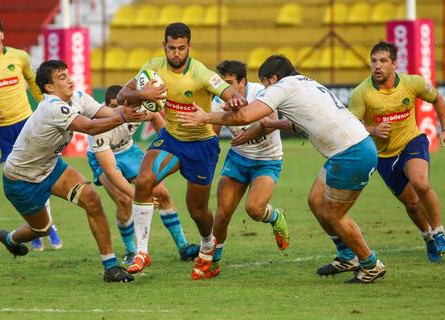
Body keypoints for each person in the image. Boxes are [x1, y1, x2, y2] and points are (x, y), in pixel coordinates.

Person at [178, 54, 387, 284]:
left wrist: (204, 117)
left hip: (352, 153)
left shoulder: (282, 87)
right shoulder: (306, 83)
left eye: (266, 83)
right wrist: (272, 124)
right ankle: (347, 256)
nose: (266, 88)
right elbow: (299, 123)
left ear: (273, 78)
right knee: (316, 201)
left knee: (334, 215)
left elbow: (246, 115)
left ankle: (370, 264)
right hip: (349, 149)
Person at [0, 59, 158, 283]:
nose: (69, 80)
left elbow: (104, 112)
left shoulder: (78, 98)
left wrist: (137, 105)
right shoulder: (53, 107)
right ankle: (12, 239)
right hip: (21, 180)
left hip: (51, 168)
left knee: (92, 199)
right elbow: (89, 127)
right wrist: (123, 117)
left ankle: (110, 267)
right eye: (61, 78)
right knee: (41, 229)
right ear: (49, 87)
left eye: (68, 74)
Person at [116, 22, 246, 278]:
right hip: (172, 139)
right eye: (171, 47)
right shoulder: (153, 67)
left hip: (202, 146)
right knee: (144, 181)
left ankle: (208, 243)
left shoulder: (200, 73)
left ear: (189, 47)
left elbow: (227, 90)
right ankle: (141, 252)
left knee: (197, 210)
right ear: (164, 46)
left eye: (181, 48)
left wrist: (234, 98)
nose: (176, 53)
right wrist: (143, 93)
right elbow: (122, 96)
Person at [348, 41, 445, 263]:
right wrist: (373, 129)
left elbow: (438, 99)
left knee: (420, 182)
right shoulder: (361, 93)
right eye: (374, 61)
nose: (377, 66)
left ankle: (439, 232)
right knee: (412, 204)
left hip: (412, 142)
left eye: (383, 61)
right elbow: (349, 124)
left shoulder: (412, 83)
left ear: (394, 64)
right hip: (383, 156)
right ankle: (428, 238)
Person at [86, 85, 200, 270]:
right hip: (104, 157)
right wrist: (134, 194)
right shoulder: (99, 126)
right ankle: (131, 251)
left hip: (128, 151)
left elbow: (155, 117)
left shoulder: (137, 109)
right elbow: (111, 171)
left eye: (124, 105)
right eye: (115, 106)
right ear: (106, 106)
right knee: (124, 200)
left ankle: (183, 246)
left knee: (162, 194)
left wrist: (167, 144)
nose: (121, 110)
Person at [0, 16, 62, 250]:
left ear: (2, 34)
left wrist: (45, 104)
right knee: (17, 183)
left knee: (40, 174)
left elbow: (34, 82)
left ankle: (49, 227)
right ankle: (36, 229)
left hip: (26, 124)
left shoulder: (19, 57)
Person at [207, 60, 289, 278]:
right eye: (222, 84)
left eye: (230, 83)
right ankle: (212, 263)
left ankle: (275, 217)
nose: (225, 89)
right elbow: (213, 137)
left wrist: (250, 132)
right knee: (222, 213)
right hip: (238, 159)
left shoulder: (261, 92)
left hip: (267, 160)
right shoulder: (218, 99)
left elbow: (270, 122)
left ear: (243, 81)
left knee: (254, 209)